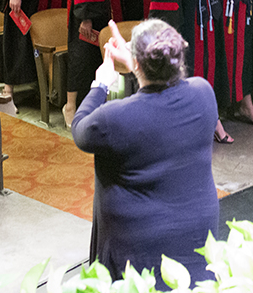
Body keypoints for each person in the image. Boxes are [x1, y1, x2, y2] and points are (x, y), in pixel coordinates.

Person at [71, 18, 219, 285]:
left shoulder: (116, 118)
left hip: (139, 257)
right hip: (196, 243)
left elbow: (80, 128)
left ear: (138, 63)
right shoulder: (204, 93)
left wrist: (101, 84)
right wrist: (136, 62)